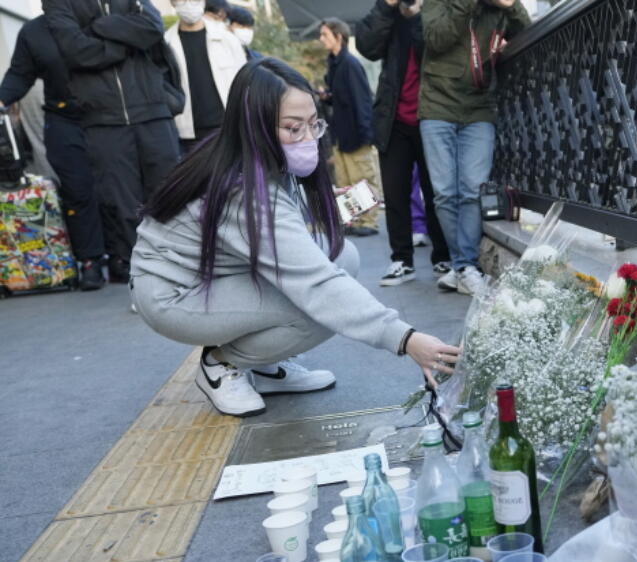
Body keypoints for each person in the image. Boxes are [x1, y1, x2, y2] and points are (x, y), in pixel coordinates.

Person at [129, 58, 459, 418]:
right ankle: (221, 364)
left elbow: (277, 216)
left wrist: (331, 201)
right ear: (256, 126)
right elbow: (315, 284)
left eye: (312, 124)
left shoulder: (246, 157)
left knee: (343, 256)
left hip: (215, 275)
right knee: (316, 304)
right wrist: (406, 339)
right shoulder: (241, 189)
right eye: (292, 128)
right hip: (174, 296)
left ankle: (265, 366)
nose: (307, 138)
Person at [43, 0, 183, 285]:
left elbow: (153, 27)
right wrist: (126, 44)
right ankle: (148, 279)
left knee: (172, 196)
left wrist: (98, 27)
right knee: (124, 207)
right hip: (102, 120)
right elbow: (76, 51)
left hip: (153, 111)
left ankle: (183, 268)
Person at [420, 0, 530, 296]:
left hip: (480, 108)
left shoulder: (497, 9)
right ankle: (465, 266)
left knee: (473, 190)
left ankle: (463, 267)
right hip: (437, 107)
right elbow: (436, 38)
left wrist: (511, 5)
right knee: (445, 193)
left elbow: (528, 32)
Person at [0, 15, 107, 289]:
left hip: (109, 114)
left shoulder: (100, 18)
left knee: (116, 186)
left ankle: (124, 256)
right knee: (77, 190)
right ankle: (90, 261)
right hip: (63, 118)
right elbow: (19, 74)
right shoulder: (34, 31)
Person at [356, 0, 451, 286]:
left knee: (435, 192)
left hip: (431, 116)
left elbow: (435, 47)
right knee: (395, 194)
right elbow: (367, 46)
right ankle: (401, 260)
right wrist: (386, 7)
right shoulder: (388, 16)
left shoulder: (435, 12)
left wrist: (420, 13)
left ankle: (443, 256)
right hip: (393, 120)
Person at [318, 18, 381, 238]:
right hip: (341, 134)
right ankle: (354, 220)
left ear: (339, 36)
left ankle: (369, 222)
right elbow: (342, 98)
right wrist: (327, 97)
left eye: (325, 34)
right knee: (346, 182)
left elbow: (362, 100)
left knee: (362, 179)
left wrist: (366, 135)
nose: (321, 38)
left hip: (356, 134)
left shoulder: (350, 64)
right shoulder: (334, 63)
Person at [165, 0, 248, 154]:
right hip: (187, 136)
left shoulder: (227, 39)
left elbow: (245, 80)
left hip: (228, 129)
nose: (189, 4)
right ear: (172, 2)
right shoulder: (166, 43)